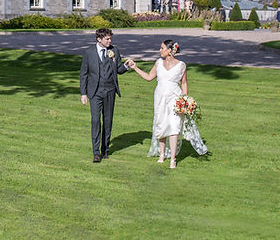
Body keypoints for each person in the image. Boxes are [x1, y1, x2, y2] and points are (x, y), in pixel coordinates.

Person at [126, 40, 207, 168]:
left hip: (175, 98)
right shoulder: (158, 63)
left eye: (162, 48)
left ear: (170, 50)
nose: (160, 50)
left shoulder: (181, 65)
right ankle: (162, 154)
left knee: (174, 126)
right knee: (161, 124)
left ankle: (173, 159)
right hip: (160, 98)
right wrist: (134, 67)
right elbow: (148, 77)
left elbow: (184, 83)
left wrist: (185, 100)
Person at [80, 28, 131, 163]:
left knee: (108, 121)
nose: (110, 41)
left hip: (110, 90)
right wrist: (83, 93)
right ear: (99, 39)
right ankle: (96, 152)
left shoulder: (114, 51)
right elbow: (83, 74)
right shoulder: (89, 53)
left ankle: (105, 149)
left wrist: (126, 66)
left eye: (110, 38)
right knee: (96, 121)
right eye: (107, 39)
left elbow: (118, 69)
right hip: (95, 92)